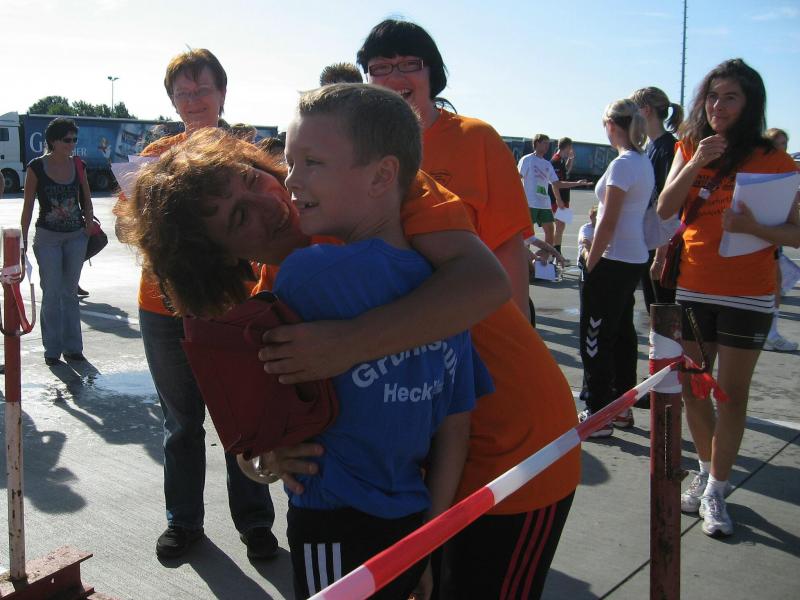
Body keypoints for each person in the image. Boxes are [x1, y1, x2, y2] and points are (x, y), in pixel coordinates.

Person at [350, 20, 580, 598]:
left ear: (433, 73)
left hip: (484, 371)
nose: (394, 77)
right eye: (379, 68)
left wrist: (503, 353)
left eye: (408, 64)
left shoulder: (475, 139)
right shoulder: (357, 150)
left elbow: (505, 254)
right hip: (407, 384)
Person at [126, 48, 278, 560]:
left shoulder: (246, 153)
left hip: (230, 304)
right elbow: (135, 227)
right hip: (162, 307)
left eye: (202, 89)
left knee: (241, 417)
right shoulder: (155, 155)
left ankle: (255, 522)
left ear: (222, 93)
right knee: (181, 425)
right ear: (172, 100)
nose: (192, 100)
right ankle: (184, 521)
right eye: (182, 92)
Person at [658, 59, 800, 537]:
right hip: (695, 285)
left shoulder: (774, 160)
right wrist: (696, 161)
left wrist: (754, 227)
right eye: (713, 96)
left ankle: (718, 489)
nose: (718, 106)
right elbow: (664, 208)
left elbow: (796, 232)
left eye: (731, 97)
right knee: (694, 388)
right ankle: (705, 471)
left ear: (750, 103)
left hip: (749, 291)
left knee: (732, 394)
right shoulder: (688, 146)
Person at [579, 99, 654, 436]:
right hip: (632, 258)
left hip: (612, 259)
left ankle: (598, 413)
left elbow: (608, 223)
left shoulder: (623, 164)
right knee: (621, 334)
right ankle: (621, 408)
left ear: (611, 125)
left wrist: (590, 261)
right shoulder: (642, 161)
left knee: (595, 336)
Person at [21, 118, 93, 366]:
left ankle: (73, 348)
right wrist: (21, 242)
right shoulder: (36, 167)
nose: (71, 144)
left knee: (69, 293)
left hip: (75, 237)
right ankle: (52, 349)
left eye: (74, 140)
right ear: (53, 141)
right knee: (51, 292)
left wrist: (88, 224)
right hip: (47, 237)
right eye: (66, 140)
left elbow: (86, 197)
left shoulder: (78, 164)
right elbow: (28, 206)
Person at [631, 86, 684, 312]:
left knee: (664, 311)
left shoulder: (668, 149)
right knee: (654, 309)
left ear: (646, 111)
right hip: (649, 242)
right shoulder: (649, 148)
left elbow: (670, 208)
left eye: (634, 111)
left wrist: (661, 256)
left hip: (662, 246)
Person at [762, 127, 797, 352]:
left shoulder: (787, 167)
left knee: (776, 282)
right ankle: (770, 334)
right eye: (777, 143)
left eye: (784, 143)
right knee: (772, 284)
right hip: (764, 234)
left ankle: (770, 332)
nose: (781, 148)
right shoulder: (763, 169)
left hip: (778, 233)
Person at [548, 137, 592, 257]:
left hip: (563, 198)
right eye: (570, 147)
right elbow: (556, 183)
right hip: (558, 199)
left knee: (561, 226)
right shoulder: (555, 161)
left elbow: (566, 171)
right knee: (559, 226)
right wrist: (577, 184)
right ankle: (555, 253)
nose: (571, 150)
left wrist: (571, 159)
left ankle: (556, 253)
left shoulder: (561, 160)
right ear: (567, 147)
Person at [519, 134, 563, 250]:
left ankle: (545, 258)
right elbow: (518, 177)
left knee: (550, 230)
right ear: (537, 143)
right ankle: (526, 258)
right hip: (529, 203)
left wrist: (577, 183)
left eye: (548, 143)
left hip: (544, 204)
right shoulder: (527, 159)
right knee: (527, 234)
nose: (547, 146)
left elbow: (556, 183)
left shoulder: (547, 164)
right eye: (545, 143)